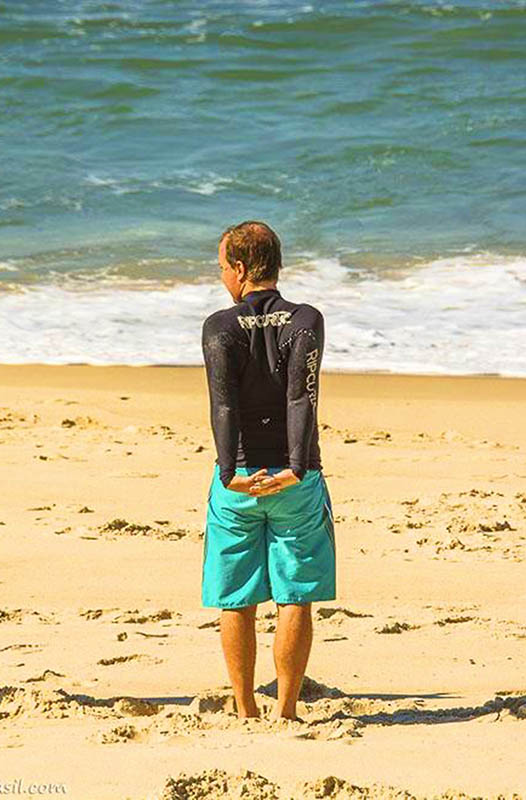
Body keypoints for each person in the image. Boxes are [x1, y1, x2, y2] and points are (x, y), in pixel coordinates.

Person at [200, 220, 335, 721]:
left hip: (238, 482)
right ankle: (287, 710)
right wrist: (297, 469)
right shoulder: (305, 320)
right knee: (294, 594)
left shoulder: (219, 326)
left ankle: (244, 707)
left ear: (239, 268)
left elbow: (224, 405)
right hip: (295, 479)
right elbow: (302, 395)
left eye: (221, 268)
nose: (221, 278)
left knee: (236, 596)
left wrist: (229, 471)